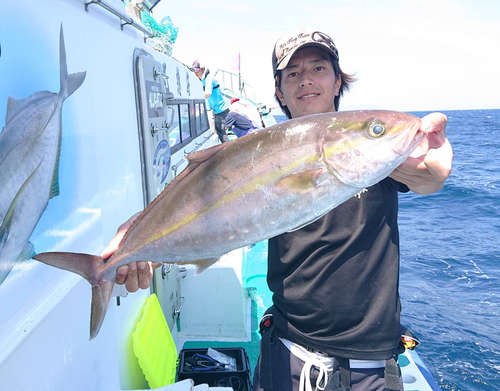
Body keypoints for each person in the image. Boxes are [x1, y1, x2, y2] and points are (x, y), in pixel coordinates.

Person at [102, 27, 453, 391]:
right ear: (279, 91)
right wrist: (143, 243)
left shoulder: (372, 153)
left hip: (371, 363)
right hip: (288, 353)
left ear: (337, 83)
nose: (306, 80)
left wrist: (435, 169)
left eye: (319, 69)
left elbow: (426, 178)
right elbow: (210, 214)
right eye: (293, 73)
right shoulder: (258, 151)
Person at [192, 60, 230, 144]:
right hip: (215, 110)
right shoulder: (203, 80)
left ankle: (229, 150)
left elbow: (207, 93)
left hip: (220, 110)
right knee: (218, 132)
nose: (195, 73)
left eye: (197, 70)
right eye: (194, 71)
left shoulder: (209, 78)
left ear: (203, 69)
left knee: (221, 132)